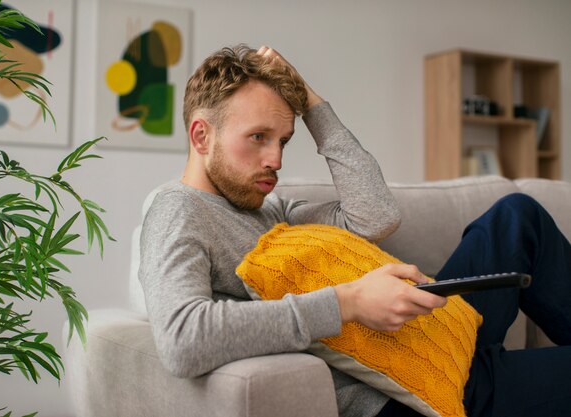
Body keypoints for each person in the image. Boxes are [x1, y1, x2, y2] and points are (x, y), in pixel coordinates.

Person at [139, 44, 571, 417]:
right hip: (417, 390)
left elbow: (376, 216)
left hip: (436, 336)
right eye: (258, 137)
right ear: (201, 137)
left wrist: (309, 101)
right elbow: (183, 338)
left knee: (517, 217)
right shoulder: (178, 209)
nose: (276, 159)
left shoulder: (272, 212)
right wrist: (348, 302)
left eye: (283, 141)